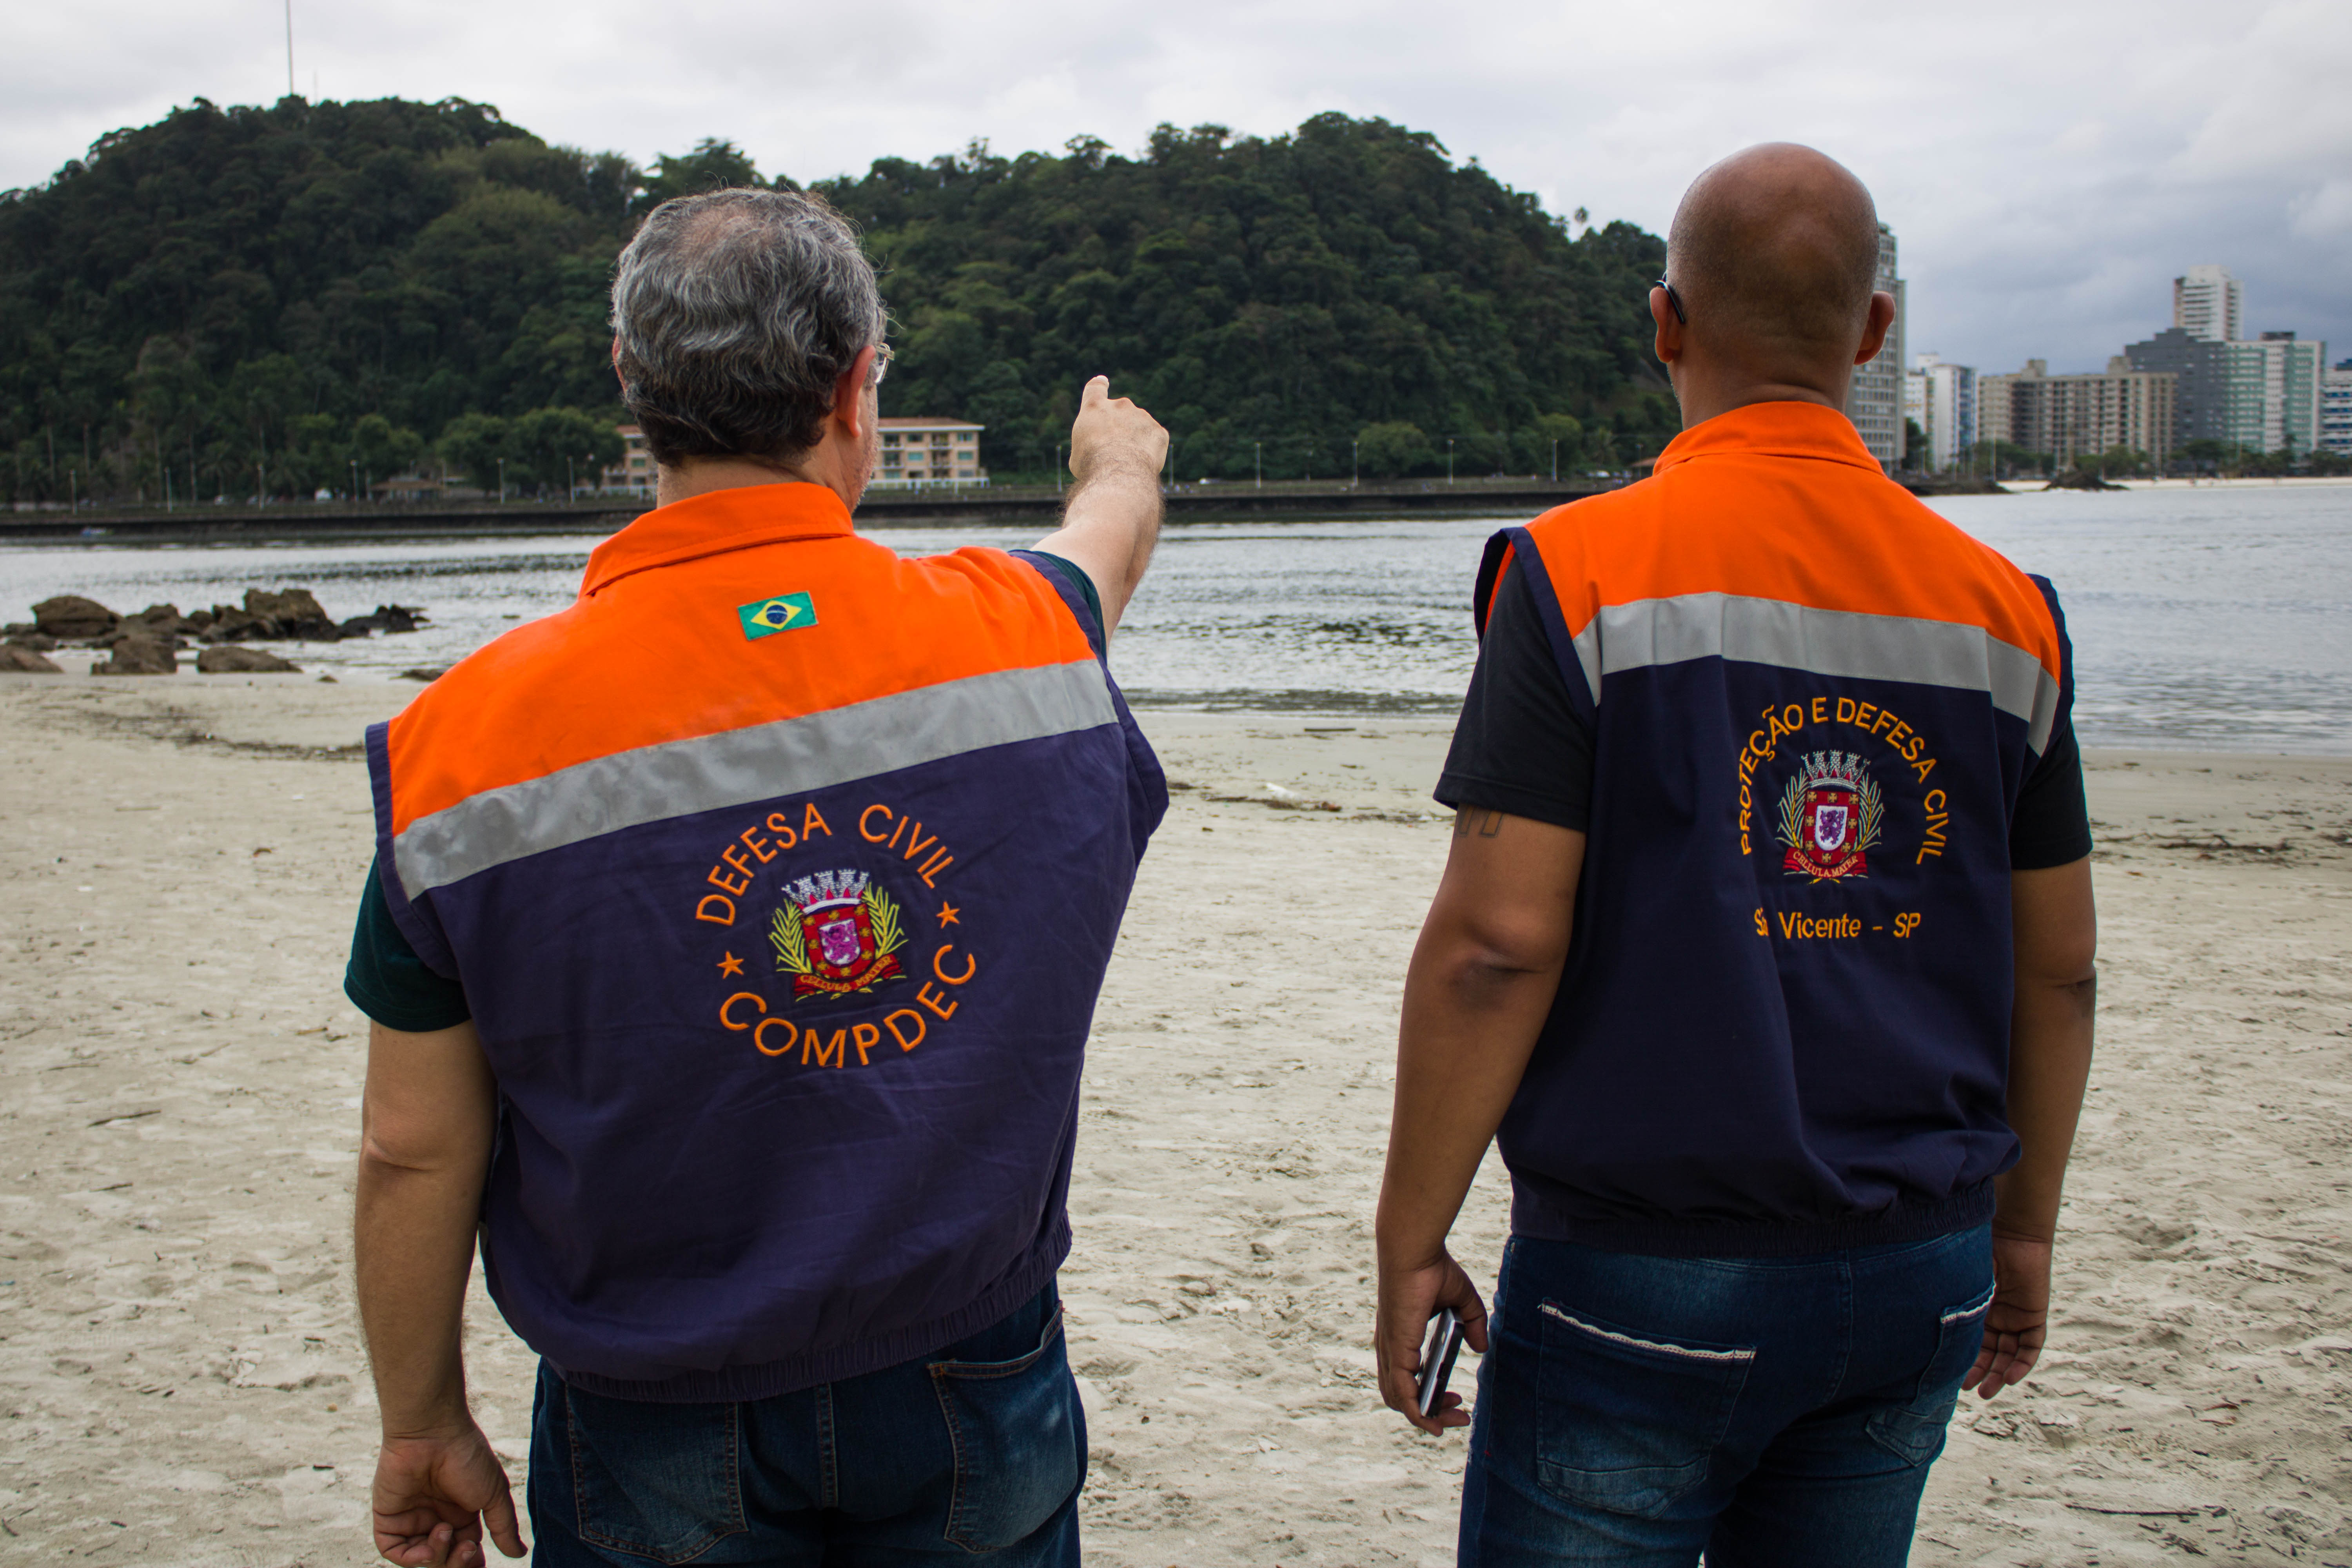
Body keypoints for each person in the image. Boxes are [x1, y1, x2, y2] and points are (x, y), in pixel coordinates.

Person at [346, 187, 1170, 1568]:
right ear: (855, 389)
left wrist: (422, 1416)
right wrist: (1120, 461)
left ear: (632, 382)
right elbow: (1104, 549)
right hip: (973, 1361)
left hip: (652, 1394)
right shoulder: (1023, 636)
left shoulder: (461, 746)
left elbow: (411, 1146)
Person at [1372, 144, 2097, 1565]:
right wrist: (2022, 1236)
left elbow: (1496, 946)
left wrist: (1413, 1234)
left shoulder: (1577, 572)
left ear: (1667, 323)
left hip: (1643, 1271)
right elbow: (2058, 971)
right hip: (1921, 1263)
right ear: (1873, 332)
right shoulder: (2009, 611)